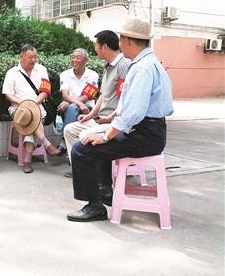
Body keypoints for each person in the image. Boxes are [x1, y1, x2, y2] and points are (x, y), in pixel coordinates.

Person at [67, 18, 173, 222]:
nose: (120, 43)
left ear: (128, 41)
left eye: (121, 39)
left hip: (144, 135)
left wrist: (107, 135)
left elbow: (133, 112)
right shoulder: (149, 63)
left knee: (81, 150)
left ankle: (95, 206)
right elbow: (129, 106)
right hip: (149, 131)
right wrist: (110, 122)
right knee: (97, 141)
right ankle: (105, 190)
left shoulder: (142, 68)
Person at [62, 31, 130, 179]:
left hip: (115, 122)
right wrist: (89, 115)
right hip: (102, 119)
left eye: (96, 46)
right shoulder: (108, 67)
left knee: (84, 135)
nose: (95, 49)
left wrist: (110, 117)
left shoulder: (124, 65)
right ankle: (81, 170)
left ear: (104, 46)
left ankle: (94, 174)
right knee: (69, 129)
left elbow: (127, 98)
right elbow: (103, 96)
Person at [2, 44, 59, 173]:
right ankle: (46, 144)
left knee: (31, 118)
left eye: (35, 57)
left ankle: (27, 161)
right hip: (18, 108)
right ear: (21, 57)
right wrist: (25, 104)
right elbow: (8, 95)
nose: (33, 60)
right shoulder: (12, 73)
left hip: (38, 106)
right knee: (28, 115)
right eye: (30, 57)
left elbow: (45, 91)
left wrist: (33, 104)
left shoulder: (42, 70)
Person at [56, 48, 99, 156]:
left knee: (72, 108)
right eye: (73, 57)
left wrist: (72, 103)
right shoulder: (65, 74)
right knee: (72, 108)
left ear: (86, 60)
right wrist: (78, 103)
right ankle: (71, 147)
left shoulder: (93, 75)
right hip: (71, 105)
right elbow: (65, 94)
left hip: (87, 107)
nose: (74, 60)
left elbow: (88, 95)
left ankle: (64, 142)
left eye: (78, 58)